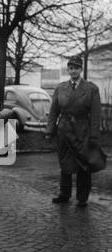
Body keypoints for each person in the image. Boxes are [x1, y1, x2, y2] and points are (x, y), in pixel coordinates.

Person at [46, 55, 101, 207]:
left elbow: (96, 114)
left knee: (83, 164)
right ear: (68, 70)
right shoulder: (60, 88)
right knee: (65, 163)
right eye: (71, 68)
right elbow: (54, 112)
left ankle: (82, 198)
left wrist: (94, 136)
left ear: (81, 69)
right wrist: (50, 131)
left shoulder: (91, 89)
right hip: (64, 130)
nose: (73, 71)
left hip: (82, 131)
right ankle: (64, 194)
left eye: (76, 68)